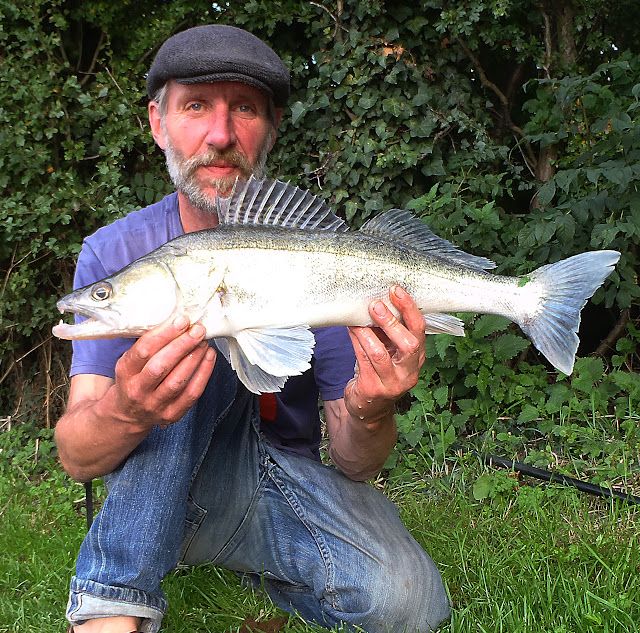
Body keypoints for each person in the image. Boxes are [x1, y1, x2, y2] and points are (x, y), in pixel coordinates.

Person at [55, 24, 451, 633]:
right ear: (158, 123)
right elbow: (77, 456)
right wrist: (128, 409)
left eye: (244, 108)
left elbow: (355, 461)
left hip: (277, 488)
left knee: (411, 606)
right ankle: (113, 606)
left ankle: (263, 564)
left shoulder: (325, 254)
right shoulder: (115, 250)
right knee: (192, 329)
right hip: (160, 491)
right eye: (196, 107)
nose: (220, 134)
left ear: (269, 128)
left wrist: (374, 408)